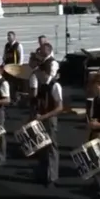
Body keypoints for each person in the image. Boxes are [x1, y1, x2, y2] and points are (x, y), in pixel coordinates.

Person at [31, 56, 62, 187]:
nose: (36, 75)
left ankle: (52, 177)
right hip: (41, 118)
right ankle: (42, 174)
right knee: (41, 147)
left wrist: (44, 117)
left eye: (38, 72)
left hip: (49, 120)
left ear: (44, 72)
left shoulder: (55, 86)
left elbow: (59, 107)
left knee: (51, 149)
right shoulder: (43, 85)